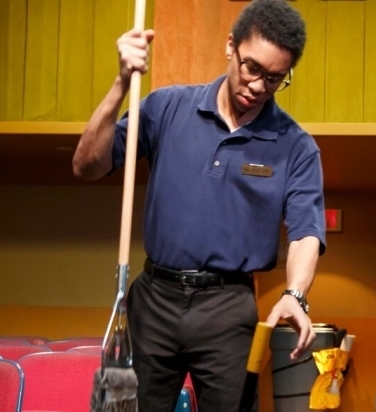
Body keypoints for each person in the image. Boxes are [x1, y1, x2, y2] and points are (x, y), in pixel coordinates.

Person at [72, 1, 326, 411]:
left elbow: (306, 232)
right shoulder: (166, 107)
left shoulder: (296, 146)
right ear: (231, 46)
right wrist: (121, 82)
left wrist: (296, 294)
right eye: (252, 68)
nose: (259, 86)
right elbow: (87, 165)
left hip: (228, 307)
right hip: (154, 298)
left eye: (276, 78)